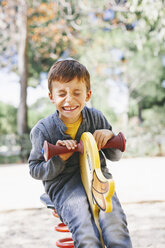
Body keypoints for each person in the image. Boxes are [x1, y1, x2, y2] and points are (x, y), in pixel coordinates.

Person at [28, 59, 132, 248]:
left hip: (98, 179)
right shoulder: (43, 129)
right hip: (64, 185)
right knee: (85, 229)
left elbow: (115, 156)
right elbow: (35, 169)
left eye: (77, 93)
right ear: (51, 96)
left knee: (115, 224)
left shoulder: (96, 118)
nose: (69, 100)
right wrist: (59, 159)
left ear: (88, 94)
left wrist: (109, 136)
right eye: (61, 94)